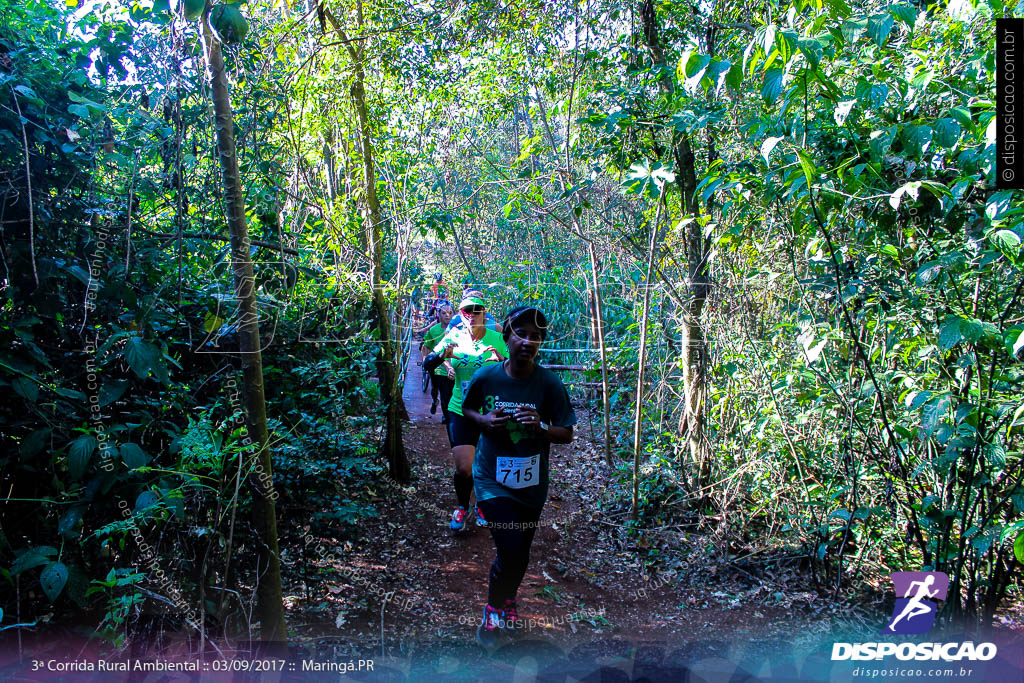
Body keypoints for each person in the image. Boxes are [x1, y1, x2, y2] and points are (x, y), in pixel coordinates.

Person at [461, 306, 576, 647]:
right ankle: (493, 613)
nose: (527, 341)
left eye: (535, 336)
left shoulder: (549, 384)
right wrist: (484, 422)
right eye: (521, 333)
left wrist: (540, 427)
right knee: (510, 549)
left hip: (531, 484)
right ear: (507, 335)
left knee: (521, 552)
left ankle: (508, 598)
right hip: (491, 479)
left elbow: (566, 432)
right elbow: (467, 409)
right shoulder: (487, 377)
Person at [423, 293, 509, 532]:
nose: (472, 315)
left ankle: (483, 504)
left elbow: (519, 372)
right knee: (464, 467)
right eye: (466, 311)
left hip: (491, 411)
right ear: (461, 315)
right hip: (460, 409)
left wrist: (501, 360)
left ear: (485, 313)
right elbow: (428, 362)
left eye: (476, 310)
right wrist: (443, 355)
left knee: (486, 464)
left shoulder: (497, 338)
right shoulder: (454, 336)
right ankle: (463, 506)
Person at [419, 304, 454, 421]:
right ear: (439, 315)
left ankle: (446, 415)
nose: (447, 316)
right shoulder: (434, 330)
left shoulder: (459, 330)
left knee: (447, 393)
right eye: (444, 313)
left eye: (450, 313)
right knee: (435, 388)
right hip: (437, 366)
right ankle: (434, 400)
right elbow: (426, 346)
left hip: (453, 367)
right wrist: (425, 360)